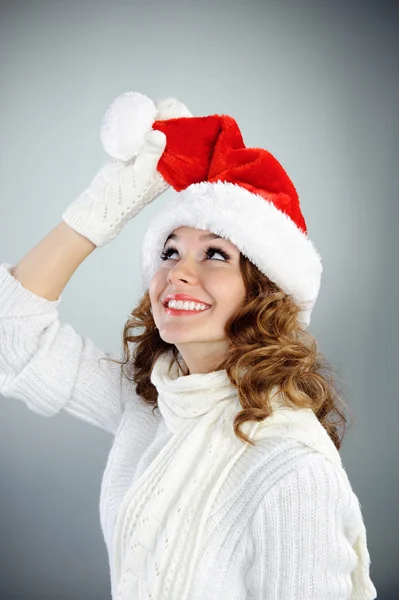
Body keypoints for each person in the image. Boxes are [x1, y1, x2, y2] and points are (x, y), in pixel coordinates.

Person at [0, 92, 377, 600]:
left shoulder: (291, 470)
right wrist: (102, 210)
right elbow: (12, 336)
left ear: (262, 290)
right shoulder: (158, 399)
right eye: (170, 250)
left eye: (216, 254)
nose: (178, 270)